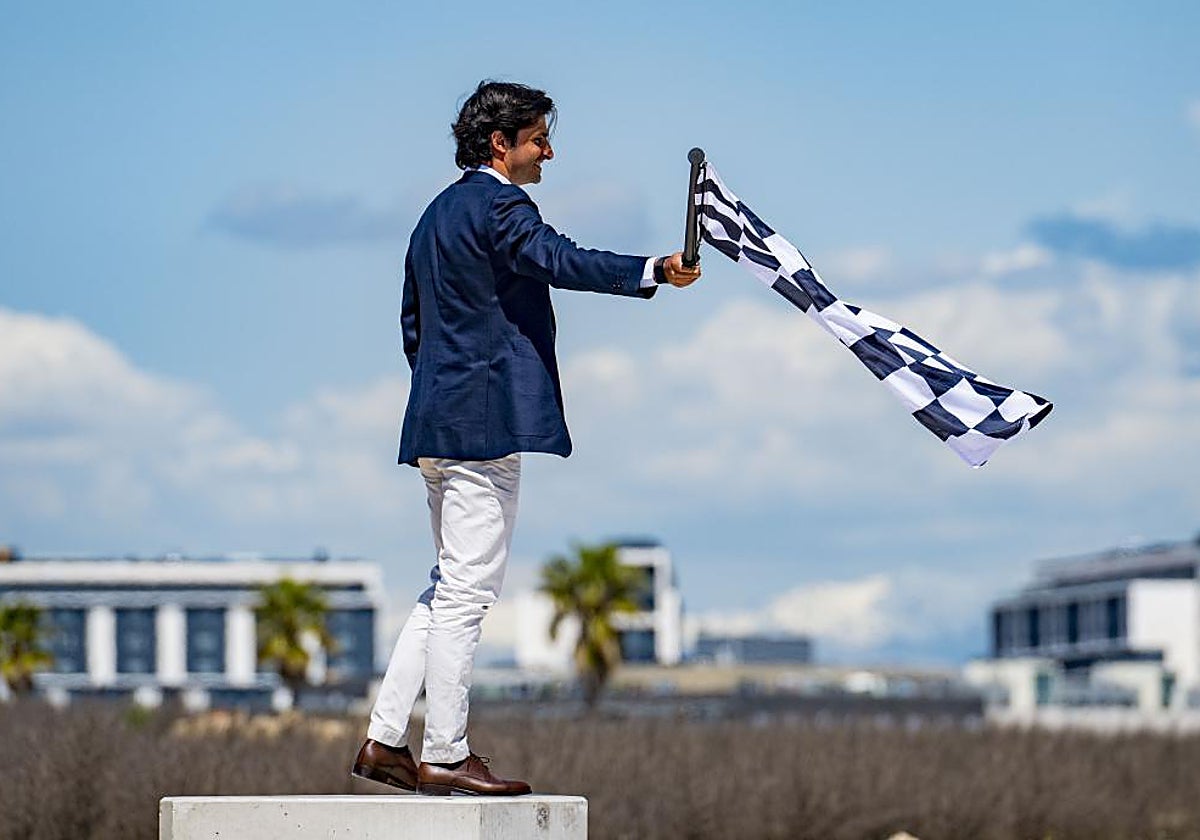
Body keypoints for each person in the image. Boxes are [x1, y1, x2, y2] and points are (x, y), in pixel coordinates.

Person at [351, 80, 701, 796]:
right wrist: (652, 270)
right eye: (540, 137)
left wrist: (448, 393)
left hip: (436, 428)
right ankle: (445, 752)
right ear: (499, 144)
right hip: (481, 433)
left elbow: (412, 325)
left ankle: (386, 741)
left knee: (446, 588)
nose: (550, 150)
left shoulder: (434, 215)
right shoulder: (499, 204)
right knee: (466, 597)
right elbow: (557, 259)